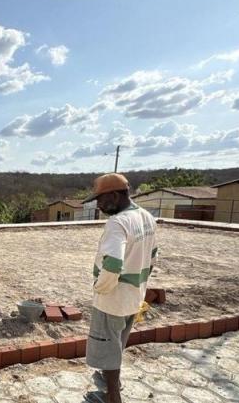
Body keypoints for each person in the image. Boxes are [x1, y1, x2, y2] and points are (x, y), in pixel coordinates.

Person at [82, 173, 158, 403]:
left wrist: (101, 287)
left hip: (113, 299)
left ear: (115, 195)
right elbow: (153, 256)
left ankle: (112, 397)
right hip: (134, 295)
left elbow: (113, 264)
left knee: (108, 349)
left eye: (101, 199)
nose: (99, 205)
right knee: (117, 346)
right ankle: (111, 388)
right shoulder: (146, 217)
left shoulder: (117, 223)